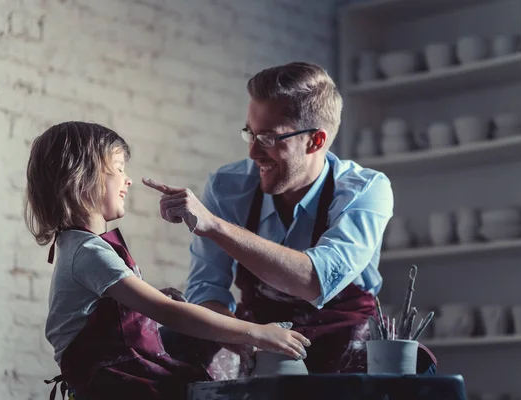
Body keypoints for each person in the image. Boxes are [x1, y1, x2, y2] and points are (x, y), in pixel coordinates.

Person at [143, 62, 436, 374]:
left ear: (316, 141)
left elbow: (314, 282)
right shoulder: (228, 186)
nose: (254, 152)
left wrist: (215, 226)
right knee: (172, 341)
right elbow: (207, 291)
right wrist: (245, 340)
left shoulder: (365, 190)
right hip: (260, 335)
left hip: (345, 337)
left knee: (418, 367)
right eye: (250, 134)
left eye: (268, 138)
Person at [24, 121, 311, 400]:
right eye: (120, 169)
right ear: (83, 177)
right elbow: (168, 312)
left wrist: (138, 310)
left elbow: (105, 312)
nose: (129, 180)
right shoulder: (89, 252)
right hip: (110, 385)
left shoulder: (80, 247)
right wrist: (255, 333)